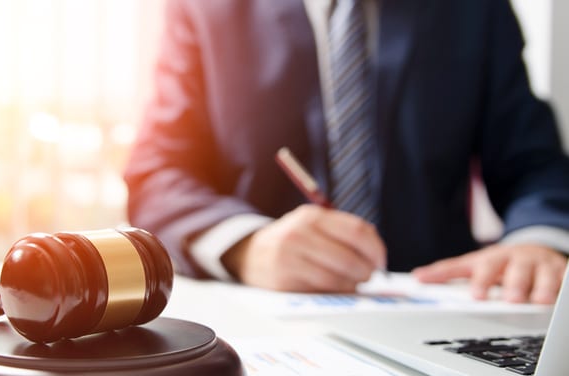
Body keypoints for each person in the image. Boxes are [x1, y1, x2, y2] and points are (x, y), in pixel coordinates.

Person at [124, 0, 569, 304]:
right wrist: (247, 245)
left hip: (438, 307)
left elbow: (534, 162)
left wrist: (537, 240)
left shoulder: (474, 10)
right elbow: (159, 174)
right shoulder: (205, 10)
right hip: (268, 316)